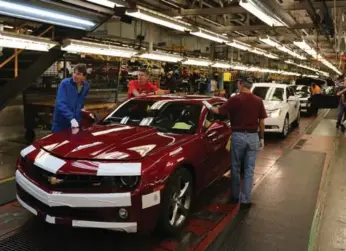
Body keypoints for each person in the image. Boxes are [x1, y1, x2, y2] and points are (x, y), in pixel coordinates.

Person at [202, 77, 267, 209]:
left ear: (241, 84)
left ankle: (235, 195)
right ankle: (246, 200)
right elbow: (261, 122)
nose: (237, 86)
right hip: (253, 137)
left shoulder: (235, 99)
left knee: (235, 168)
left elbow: (218, 111)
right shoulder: (258, 101)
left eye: (238, 84)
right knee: (249, 169)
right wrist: (261, 138)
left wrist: (207, 104)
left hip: (238, 136)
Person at [52, 64, 90, 133]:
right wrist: (71, 118)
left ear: (84, 76)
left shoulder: (86, 86)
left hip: (76, 121)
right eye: (74, 73)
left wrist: (82, 110)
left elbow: (81, 101)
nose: (74, 75)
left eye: (78, 74)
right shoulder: (65, 83)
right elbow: (60, 103)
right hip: (62, 121)